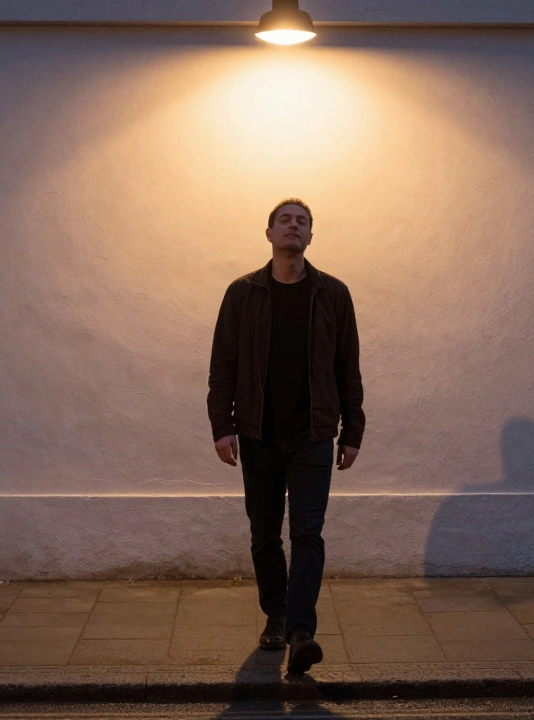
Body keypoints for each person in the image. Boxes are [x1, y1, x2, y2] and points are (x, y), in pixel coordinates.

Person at [207, 198, 365, 675]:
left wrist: (352, 429)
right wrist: (222, 426)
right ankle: (275, 615)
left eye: (302, 222)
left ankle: (300, 631)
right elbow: (223, 367)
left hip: (314, 435)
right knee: (264, 534)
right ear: (270, 233)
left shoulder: (333, 295)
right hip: (257, 434)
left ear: (310, 237)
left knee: (307, 534)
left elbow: (347, 368)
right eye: (285, 220)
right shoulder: (243, 294)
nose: (293, 227)